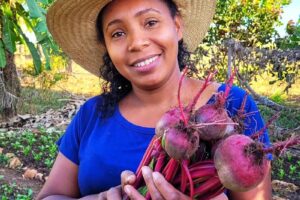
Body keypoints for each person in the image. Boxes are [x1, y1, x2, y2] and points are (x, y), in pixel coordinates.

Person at [37, 0, 272, 199]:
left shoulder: (235, 104)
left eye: (150, 22)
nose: (137, 42)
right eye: (118, 33)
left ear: (177, 26)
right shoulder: (92, 113)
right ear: (107, 48)